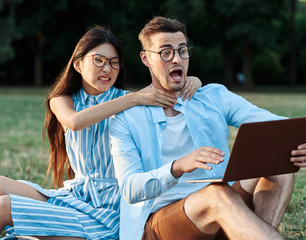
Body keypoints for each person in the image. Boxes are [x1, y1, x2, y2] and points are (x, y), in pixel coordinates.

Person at [109, 16, 306, 240]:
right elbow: (130, 189)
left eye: (182, 50)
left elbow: (272, 123)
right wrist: (177, 167)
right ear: (146, 58)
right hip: (162, 223)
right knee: (216, 195)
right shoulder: (126, 117)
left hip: (225, 203)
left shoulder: (214, 96)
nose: (177, 59)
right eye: (166, 52)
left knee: (279, 166)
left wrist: (300, 141)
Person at [0, 25, 201, 240]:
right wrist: (134, 98)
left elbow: (170, 89)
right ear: (78, 64)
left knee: (4, 206)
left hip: (111, 206)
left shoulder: (130, 99)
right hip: (76, 195)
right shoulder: (66, 99)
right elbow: (75, 122)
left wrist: (193, 81)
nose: (107, 69)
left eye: (114, 63)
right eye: (99, 60)